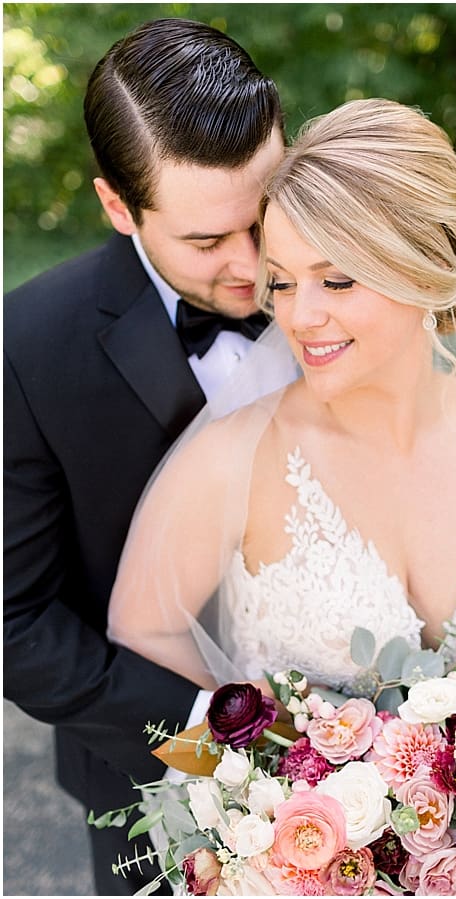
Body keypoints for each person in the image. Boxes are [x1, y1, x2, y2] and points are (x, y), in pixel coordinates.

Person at [106, 99, 456, 710]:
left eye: (336, 280)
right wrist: (267, 757)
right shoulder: (231, 457)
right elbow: (142, 628)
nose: (298, 316)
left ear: (422, 271)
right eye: (283, 282)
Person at [3, 19, 283, 893]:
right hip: (145, 776)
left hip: (377, 757)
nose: (253, 267)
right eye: (206, 241)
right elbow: (16, 624)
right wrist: (214, 736)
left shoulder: (353, 289)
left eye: (265, 213)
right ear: (118, 207)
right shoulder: (28, 344)